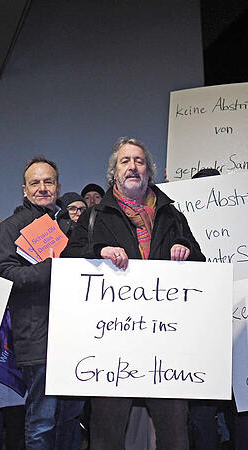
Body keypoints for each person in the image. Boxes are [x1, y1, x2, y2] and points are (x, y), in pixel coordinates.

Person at [63, 137, 204, 450]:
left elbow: (201, 266)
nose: (132, 167)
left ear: (148, 171)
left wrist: (187, 250)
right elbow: (68, 262)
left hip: (166, 342)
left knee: (175, 433)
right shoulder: (94, 216)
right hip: (111, 343)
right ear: (114, 172)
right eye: (125, 161)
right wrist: (99, 250)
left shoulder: (173, 216)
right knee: (106, 434)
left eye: (139, 161)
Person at [0, 156, 83, 450]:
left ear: (58, 187)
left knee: (71, 419)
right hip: (36, 337)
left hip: (75, 338)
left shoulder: (74, 228)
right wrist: (52, 266)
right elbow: (5, 275)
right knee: (42, 422)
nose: (42, 188)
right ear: (24, 189)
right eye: (35, 183)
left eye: (48, 182)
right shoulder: (10, 227)